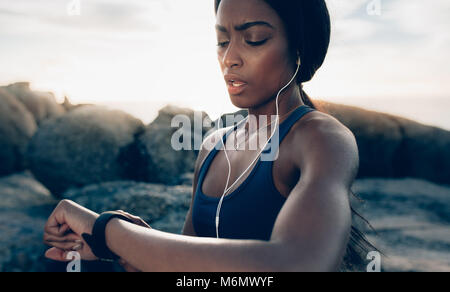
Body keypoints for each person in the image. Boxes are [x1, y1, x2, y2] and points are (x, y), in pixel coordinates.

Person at [43, 0, 374, 272]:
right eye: (222, 41)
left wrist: (108, 231)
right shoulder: (213, 146)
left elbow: (300, 263)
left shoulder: (322, 138)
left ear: (299, 48)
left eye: (254, 38)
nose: (229, 58)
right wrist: (119, 247)